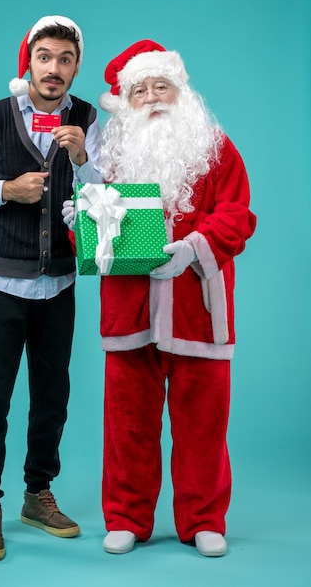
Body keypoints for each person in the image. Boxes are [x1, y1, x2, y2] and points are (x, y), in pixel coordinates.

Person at [63, 39, 256, 556]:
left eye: (161, 86)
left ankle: (204, 519)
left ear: (180, 91)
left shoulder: (215, 148)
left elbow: (238, 214)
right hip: (129, 311)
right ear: (125, 101)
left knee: (203, 423)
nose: (151, 97)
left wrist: (196, 247)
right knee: (127, 424)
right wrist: (80, 224)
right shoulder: (111, 158)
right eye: (140, 89)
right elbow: (94, 234)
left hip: (199, 310)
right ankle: (126, 516)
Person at [0, 15, 101, 561]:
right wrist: (5, 188)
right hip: (0, 282)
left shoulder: (88, 121)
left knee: (52, 398)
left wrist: (83, 159)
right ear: (28, 62)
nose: (53, 69)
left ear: (76, 67)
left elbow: (111, 196)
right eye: (45, 58)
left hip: (59, 283)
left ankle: (38, 494)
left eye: (65, 60)